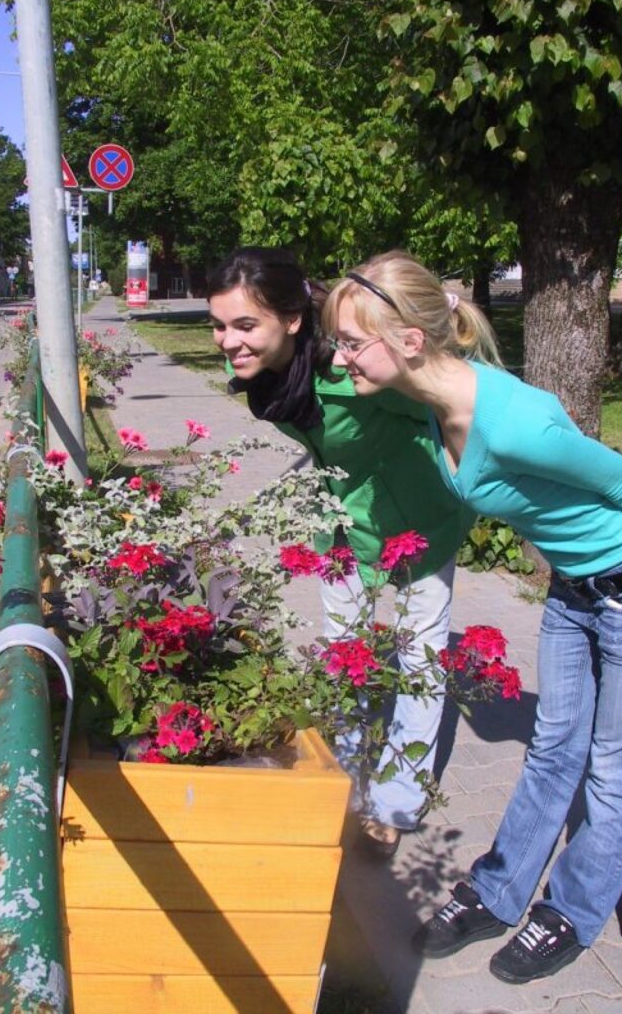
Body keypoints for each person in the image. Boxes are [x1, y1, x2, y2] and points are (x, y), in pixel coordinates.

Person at [322, 249, 622, 984]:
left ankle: (571, 910)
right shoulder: (429, 403)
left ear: (410, 340)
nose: (341, 359)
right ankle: (499, 891)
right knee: (554, 749)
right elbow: (318, 398)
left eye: (351, 342)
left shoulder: (518, 424)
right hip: (574, 589)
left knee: (616, 770)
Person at [206, 247, 473, 857]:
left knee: (419, 659)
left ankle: (396, 804)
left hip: (416, 522)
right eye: (219, 325)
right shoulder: (267, 369)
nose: (228, 341)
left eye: (244, 325)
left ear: (292, 319)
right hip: (341, 524)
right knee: (343, 652)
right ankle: (343, 779)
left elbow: (451, 397)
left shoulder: (357, 367)